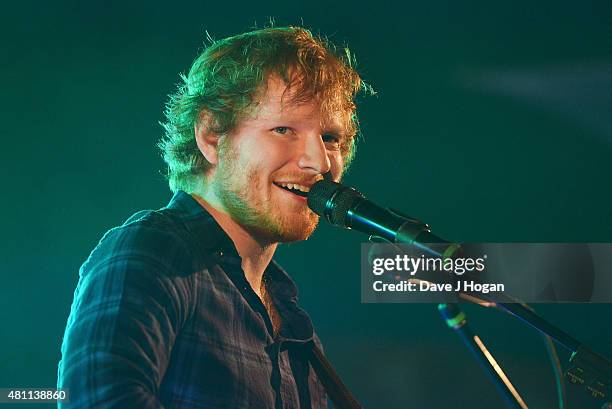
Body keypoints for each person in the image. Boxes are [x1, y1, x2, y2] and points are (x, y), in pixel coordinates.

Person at [57, 26, 368, 409]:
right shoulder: (158, 250)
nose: (318, 162)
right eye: (284, 129)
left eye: (330, 138)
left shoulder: (292, 321)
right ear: (211, 136)